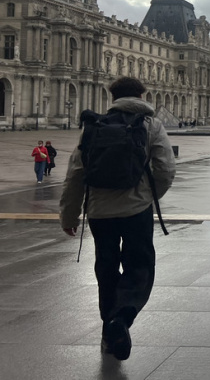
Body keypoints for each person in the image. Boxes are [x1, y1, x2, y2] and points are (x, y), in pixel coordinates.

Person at [60, 77, 176, 360]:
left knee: (106, 269)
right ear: (141, 94)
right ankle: (121, 319)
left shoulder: (94, 125)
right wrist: (147, 195)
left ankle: (107, 330)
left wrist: (69, 214)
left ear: (112, 96)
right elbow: (165, 169)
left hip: (100, 212)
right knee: (140, 266)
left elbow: (75, 174)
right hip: (136, 211)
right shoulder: (151, 125)